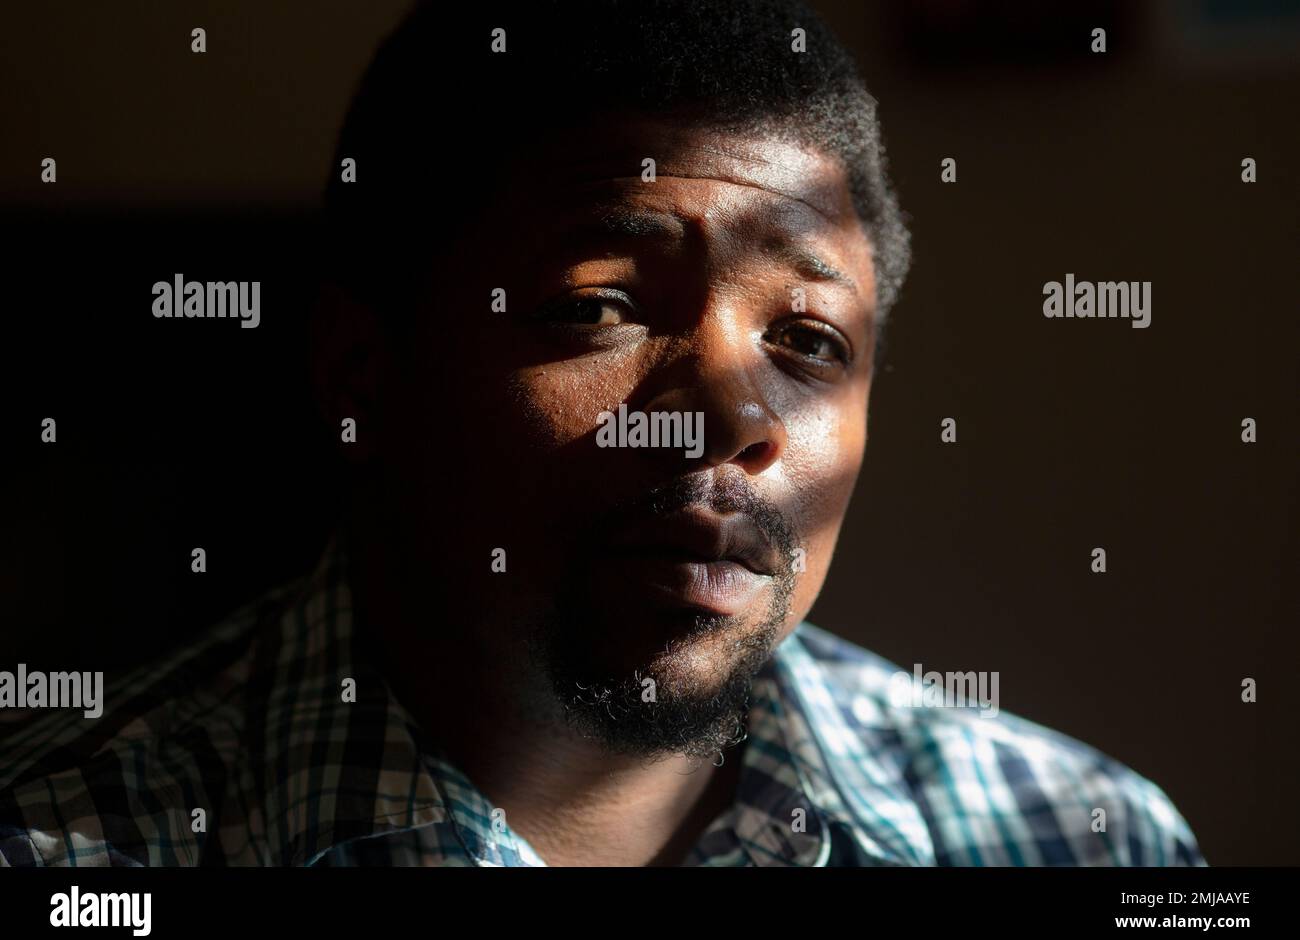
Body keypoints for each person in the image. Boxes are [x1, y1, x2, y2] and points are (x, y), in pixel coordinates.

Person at [0, 0, 1203, 867]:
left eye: (810, 342)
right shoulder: (74, 843)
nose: (733, 420)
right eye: (598, 307)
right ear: (360, 368)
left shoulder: (1076, 836)